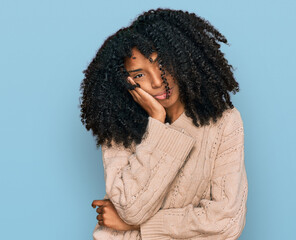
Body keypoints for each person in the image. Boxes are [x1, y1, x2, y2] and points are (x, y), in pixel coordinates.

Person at [80, 8, 248, 240]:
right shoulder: (119, 128)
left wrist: (139, 229)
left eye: (162, 65)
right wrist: (156, 124)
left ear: (181, 58)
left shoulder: (224, 122)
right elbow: (131, 208)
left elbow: (226, 223)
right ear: (125, 82)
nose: (158, 81)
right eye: (139, 75)